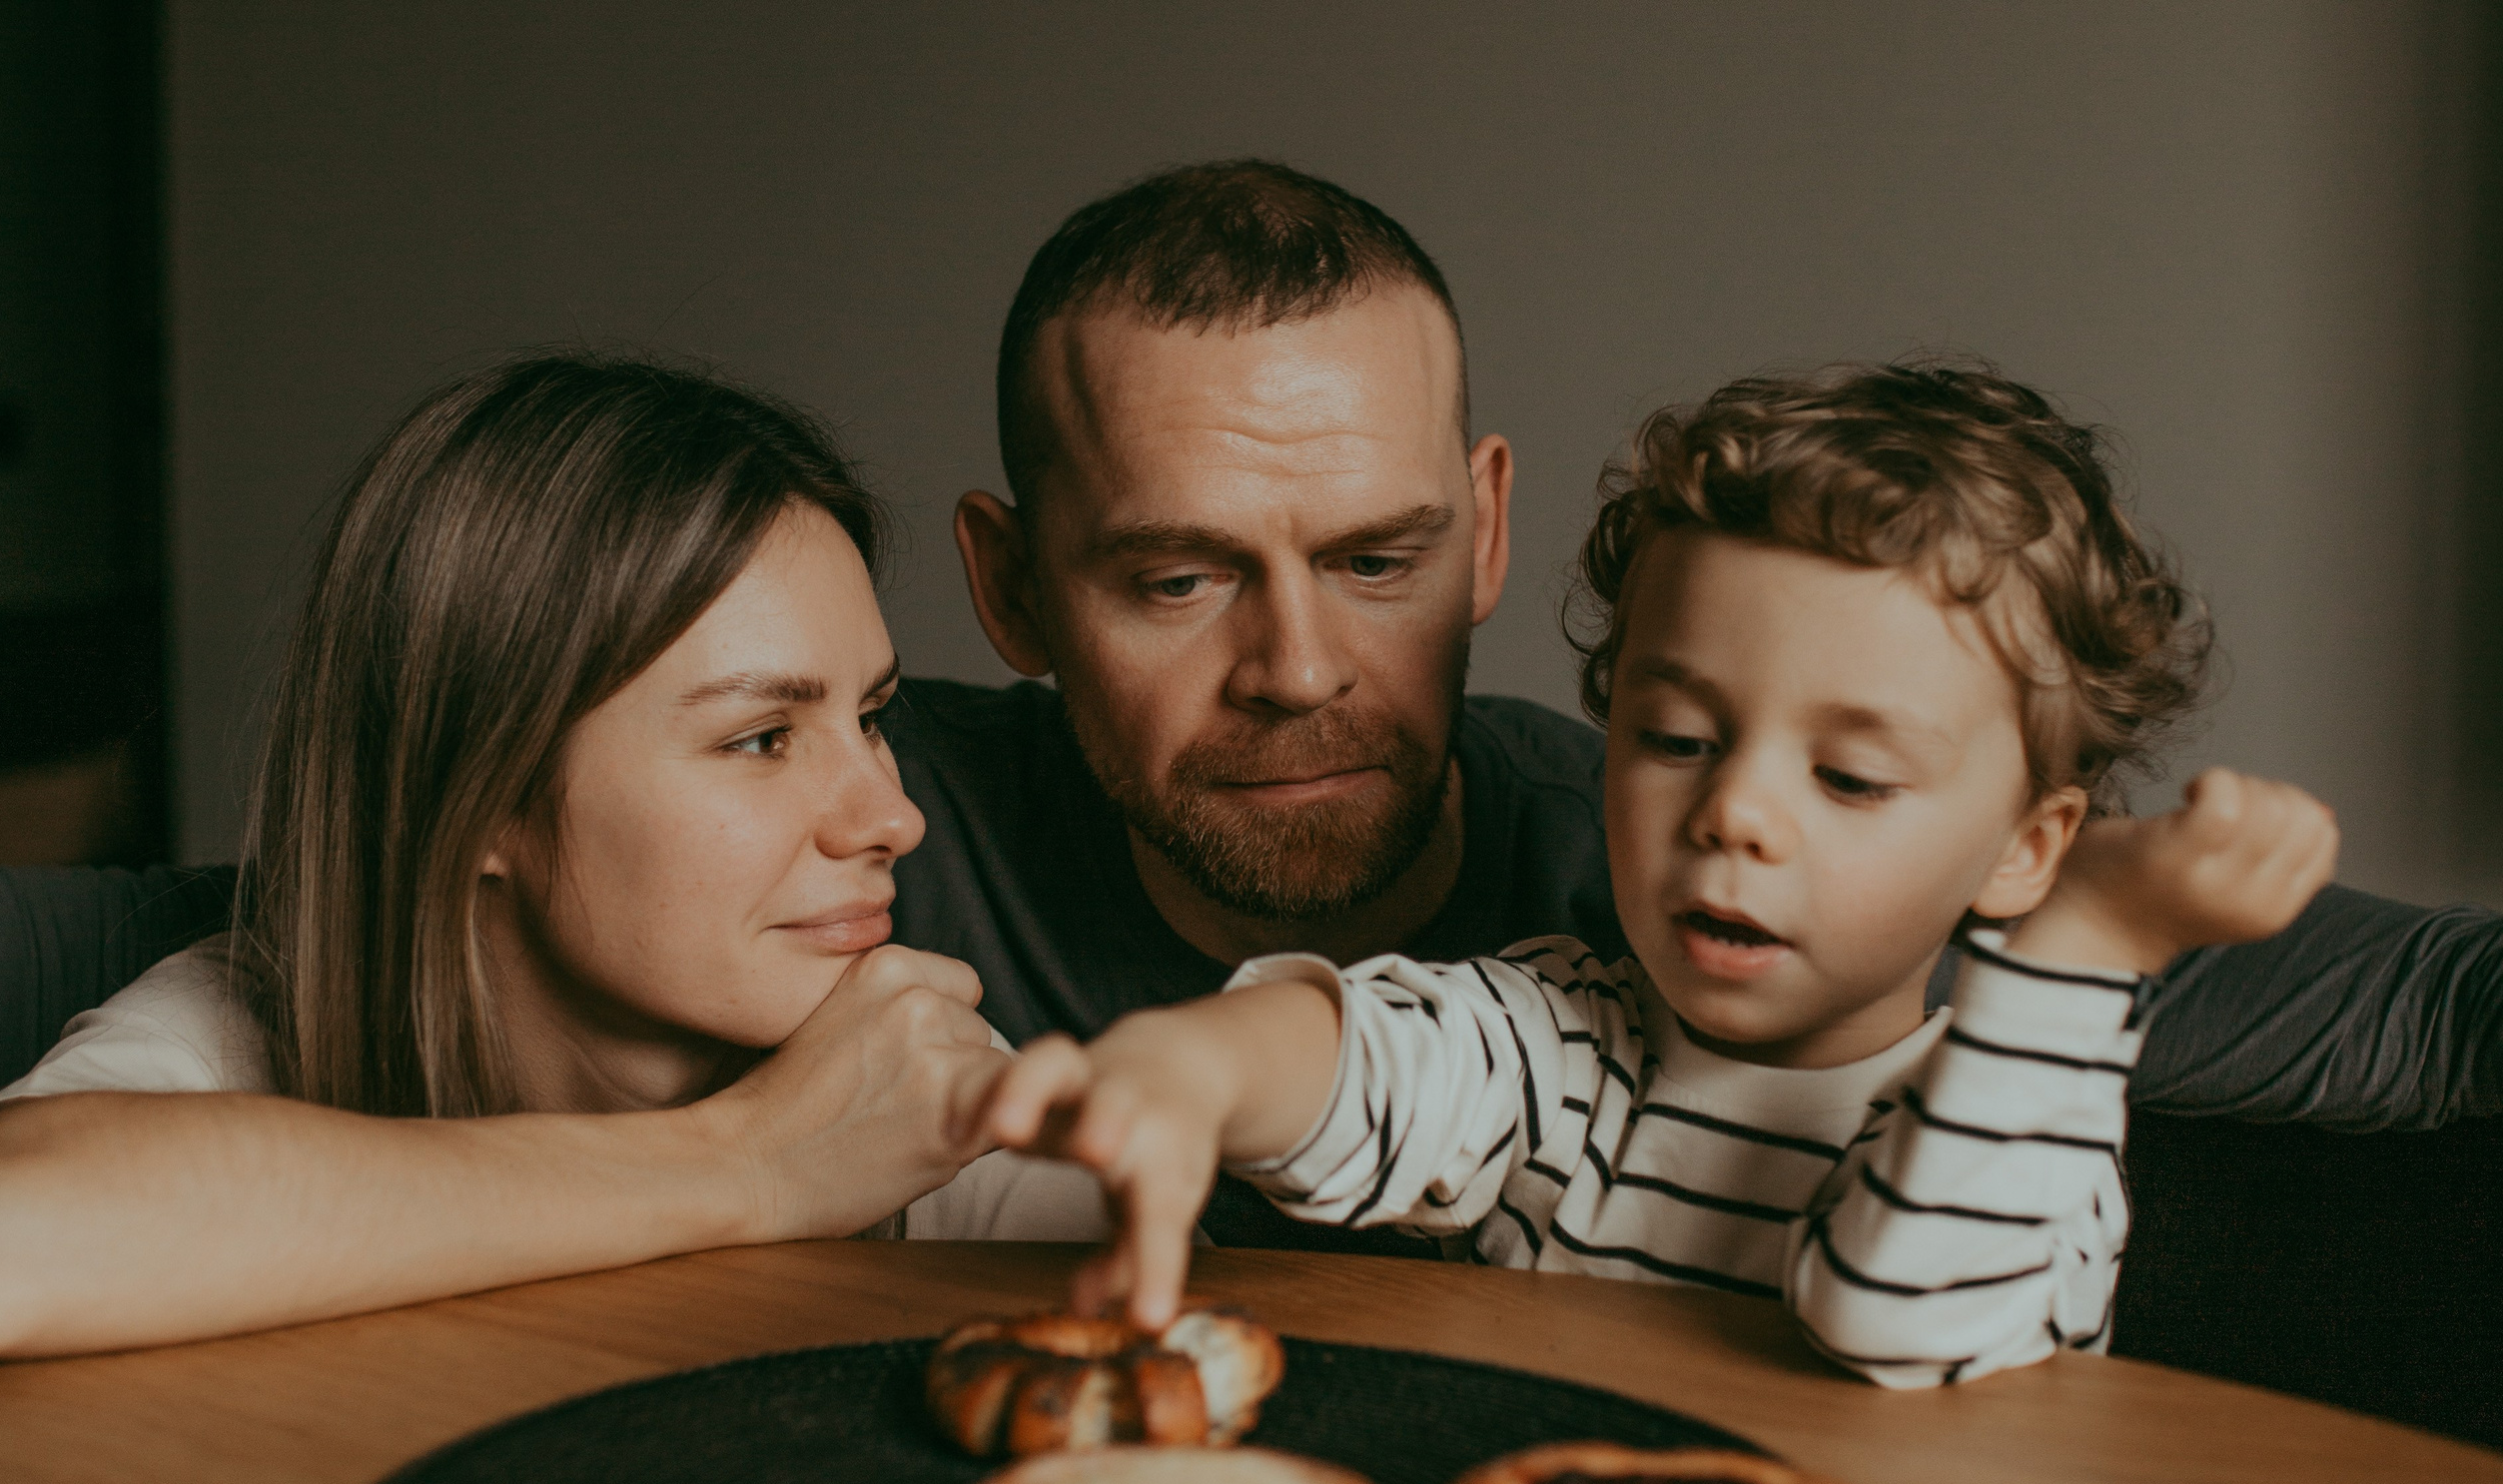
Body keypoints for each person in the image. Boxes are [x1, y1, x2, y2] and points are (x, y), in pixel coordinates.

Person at [886, 158, 2503, 1265]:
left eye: (1380, 560)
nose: (1300, 668)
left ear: (1486, 531)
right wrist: (766, 1156)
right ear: (1013, 588)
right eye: (1177, 579)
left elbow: (2443, 1002)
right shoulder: (861, 823)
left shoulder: (1745, 885)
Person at [966, 362, 2339, 1387]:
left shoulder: (2029, 1135)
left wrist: (2078, 951)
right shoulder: (1566, 1053)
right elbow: (1365, 1060)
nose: (1733, 814)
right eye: (1677, 739)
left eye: (1849, 777)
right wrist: (1197, 1069)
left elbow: (1891, 1318)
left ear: (2028, 848)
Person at [0, 356, 1104, 1359]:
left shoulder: (903, 1078)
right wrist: (753, 1163)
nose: (891, 817)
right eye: (761, 738)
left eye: (873, 716)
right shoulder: (245, 1025)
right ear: (484, 791)